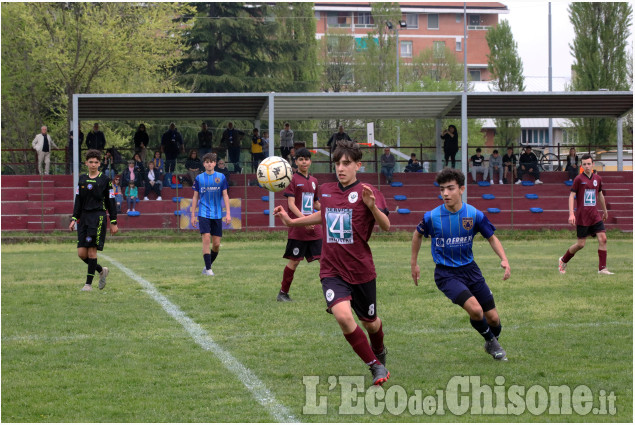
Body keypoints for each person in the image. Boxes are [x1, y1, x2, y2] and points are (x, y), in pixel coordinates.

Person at [274, 140, 391, 386]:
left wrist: (372, 207)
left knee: (371, 322)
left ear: (359, 165)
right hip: (331, 270)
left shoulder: (368, 191)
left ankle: (379, 349)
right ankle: (375, 366)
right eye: (337, 163)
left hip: (361, 269)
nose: (341, 167)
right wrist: (292, 222)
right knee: (343, 316)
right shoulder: (325, 189)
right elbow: (323, 215)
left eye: (347, 163)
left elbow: (386, 226)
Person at [410, 168, 510, 361]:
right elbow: (417, 235)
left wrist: (504, 259)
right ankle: (494, 344)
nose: (445, 193)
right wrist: (414, 264)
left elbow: (492, 237)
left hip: (470, 270)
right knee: (475, 310)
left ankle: (491, 341)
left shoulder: (474, 214)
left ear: (461, 189)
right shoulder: (432, 216)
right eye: (442, 189)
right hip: (446, 274)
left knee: (494, 319)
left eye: (450, 188)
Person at [276, 147, 322, 302]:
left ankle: (333, 294)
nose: (304, 162)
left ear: (310, 161)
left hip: (315, 228)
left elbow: (316, 204)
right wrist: (304, 220)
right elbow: (291, 205)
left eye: (307, 159)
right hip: (298, 228)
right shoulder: (292, 179)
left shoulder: (315, 181)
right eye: (301, 159)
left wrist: (329, 208)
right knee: (294, 262)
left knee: (325, 260)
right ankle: (283, 293)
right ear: (296, 162)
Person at [69, 149, 118, 291]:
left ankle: (88, 284)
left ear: (99, 163)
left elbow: (111, 201)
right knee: (81, 254)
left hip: (98, 218)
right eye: (91, 162)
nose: (93, 164)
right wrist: (74, 218)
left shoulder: (105, 180)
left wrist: (113, 221)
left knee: (92, 252)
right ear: (86, 163)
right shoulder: (82, 179)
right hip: (83, 218)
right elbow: (78, 200)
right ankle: (101, 270)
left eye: (96, 162)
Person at [558, 154, 613, 275]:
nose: (587, 166)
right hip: (583, 216)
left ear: (593, 164)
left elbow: (600, 195)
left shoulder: (597, 179)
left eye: (589, 164)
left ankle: (602, 268)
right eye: (584, 164)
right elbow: (571, 196)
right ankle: (563, 260)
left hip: (595, 215)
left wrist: (604, 210)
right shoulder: (578, 179)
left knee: (603, 239)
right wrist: (571, 214)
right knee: (581, 244)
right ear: (581, 166)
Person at [191, 153, 231, 276]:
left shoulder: (221, 177)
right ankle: (209, 270)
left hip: (217, 214)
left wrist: (228, 213)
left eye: (211, 161)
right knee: (206, 239)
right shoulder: (199, 178)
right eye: (207, 162)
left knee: (217, 244)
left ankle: (207, 265)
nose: (209, 164)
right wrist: (192, 215)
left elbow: (225, 195)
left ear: (214, 163)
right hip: (203, 213)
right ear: (204, 164)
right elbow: (195, 196)